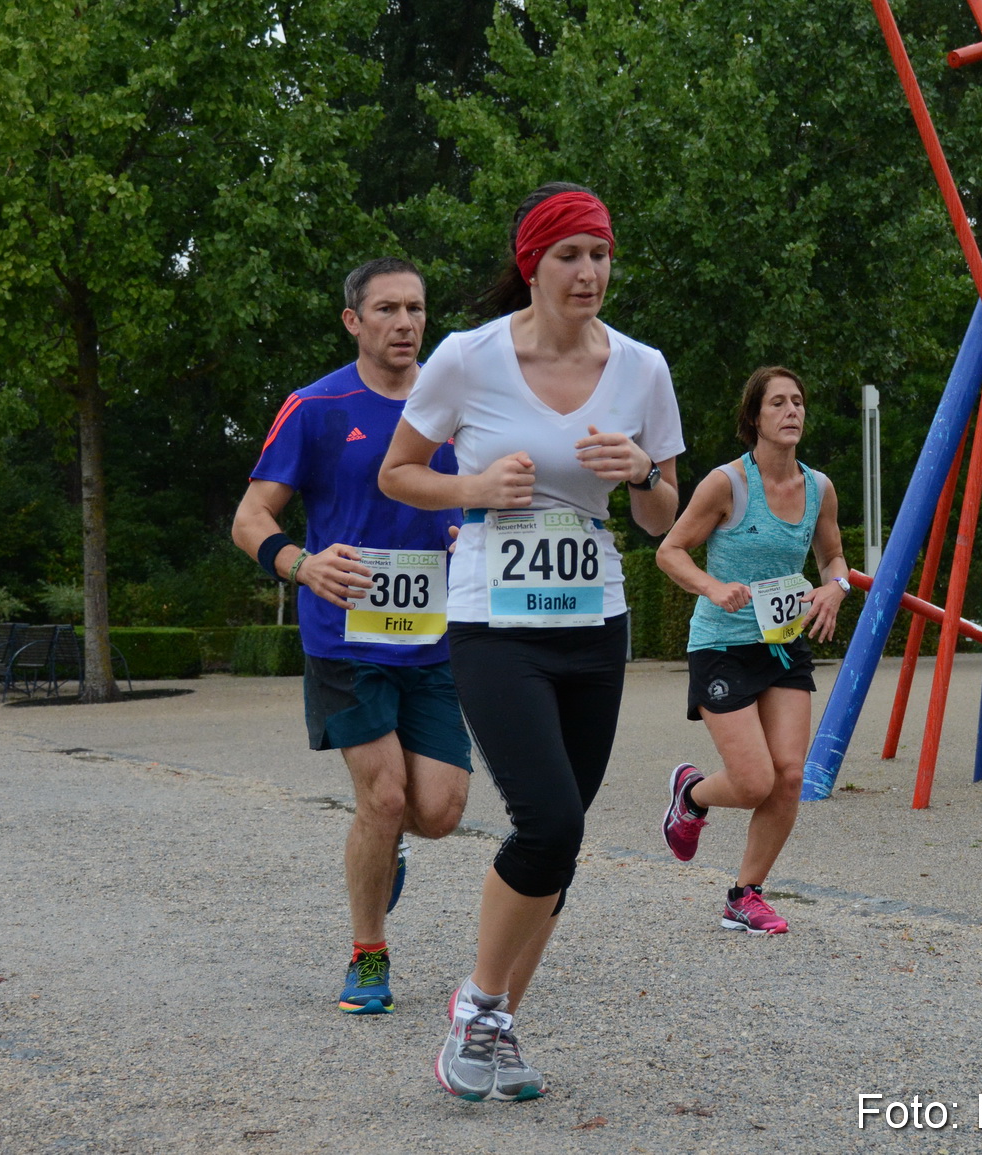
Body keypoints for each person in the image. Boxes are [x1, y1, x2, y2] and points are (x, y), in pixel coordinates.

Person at [379, 183, 683, 1102]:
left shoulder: (643, 368)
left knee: (563, 838)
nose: (589, 273)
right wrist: (471, 489)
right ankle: (479, 1005)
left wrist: (642, 472)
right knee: (548, 820)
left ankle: (497, 1022)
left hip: (595, 619)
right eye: (569, 256)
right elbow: (399, 473)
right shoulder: (468, 357)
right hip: (495, 622)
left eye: (601, 254)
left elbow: (663, 516)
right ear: (533, 264)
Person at [231, 257, 471, 1018]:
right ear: (353, 321)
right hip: (345, 637)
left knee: (440, 812)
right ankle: (369, 954)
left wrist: (474, 535)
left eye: (416, 308)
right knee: (384, 793)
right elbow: (250, 517)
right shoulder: (316, 407)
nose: (405, 322)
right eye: (387, 309)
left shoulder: (458, 404)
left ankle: (387, 839)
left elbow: (487, 496)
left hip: (434, 640)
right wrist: (300, 564)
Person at [654, 366, 849, 935]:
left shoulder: (819, 488)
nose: (792, 411)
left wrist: (835, 588)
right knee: (753, 781)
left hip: (783, 647)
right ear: (754, 418)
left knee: (789, 777)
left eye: (798, 402)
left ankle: (745, 895)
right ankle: (691, 794)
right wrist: (713, 587)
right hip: (722, 646)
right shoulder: (728, 484)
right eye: (778, 403)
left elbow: (833, 558)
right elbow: (671, 551)